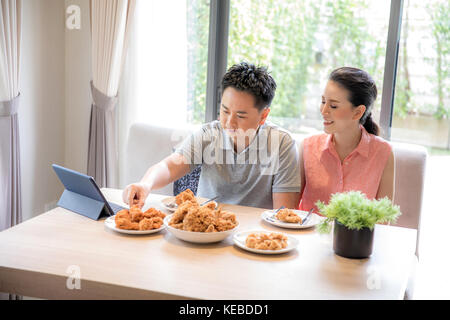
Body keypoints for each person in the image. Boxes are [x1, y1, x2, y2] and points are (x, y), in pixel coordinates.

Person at [123, 62, 301, 210]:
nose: (229, 123)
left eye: (241, 116)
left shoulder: (282, 143)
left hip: (253, 237)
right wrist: (145, 184)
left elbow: (283, 216)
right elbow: (169, 167)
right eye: (225, 111)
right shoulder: (208, 134)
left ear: (263, 116)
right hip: (204, 229)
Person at [298, 66, 395, 213]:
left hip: (356, 236)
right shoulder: (307, 147)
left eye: (333, 106)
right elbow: (289, 211)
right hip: (309, 235)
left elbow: (384, 217)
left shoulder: (383, 152)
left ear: (358, 112)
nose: (324, 111)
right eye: (323, 101)